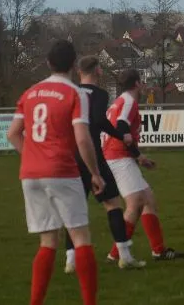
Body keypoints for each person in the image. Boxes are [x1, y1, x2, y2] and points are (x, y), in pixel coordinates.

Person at [6, 39, 104, 305]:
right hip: (61, 170)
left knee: (48, 241)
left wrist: (33, 156)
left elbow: (13, 134)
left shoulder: (30, 93)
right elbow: (82, 138)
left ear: (48, 63)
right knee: (80, 237)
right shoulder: (76, 93)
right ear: (73, 64)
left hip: (30, 175)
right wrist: (95, 173)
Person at [63, 56, 146, 273]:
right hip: (92, 155)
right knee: (113, 204)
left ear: (79, 72)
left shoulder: (71, 92)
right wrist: (120, 135)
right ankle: (124, 256)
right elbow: (98, 120)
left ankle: (71, 260)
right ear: (98, 70)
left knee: (75, 208)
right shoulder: (99, 94)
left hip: (72, 156)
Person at [103, 69, 184, 261]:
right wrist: (138, 155)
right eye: (142, 82)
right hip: (118, 157)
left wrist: (138, 157)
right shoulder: (129, 101)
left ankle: (158, 250)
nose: (143, 85)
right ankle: (116, 254)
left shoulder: (119, 101)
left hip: (117, 156)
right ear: (137, 83)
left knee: (148, 200)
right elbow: (121, 127)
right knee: (136, 203)